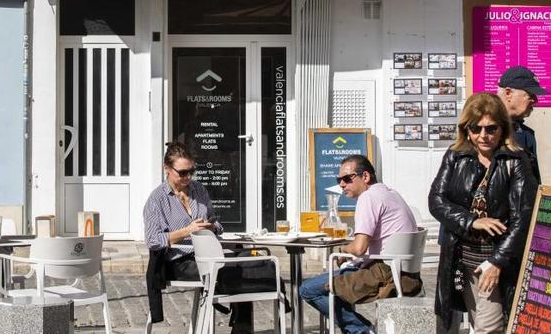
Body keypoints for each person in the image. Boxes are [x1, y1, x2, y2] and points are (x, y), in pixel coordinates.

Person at [429, 93, 538, 333]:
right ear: (466, 129)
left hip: (495, 258)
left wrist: (498, 262)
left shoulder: (516, 159)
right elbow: (436, 200)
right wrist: (472, 221)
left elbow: (524, 218)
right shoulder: (456, 155)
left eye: (491, 128)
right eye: (475, 128)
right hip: (459, 259)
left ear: (502, 127)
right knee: (464, 323)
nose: (483, 136)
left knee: (489, 328)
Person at [144, 142, 280, 333]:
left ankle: (242, 329)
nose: (188, 177)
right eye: (182, 173)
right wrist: (187, 230)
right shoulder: (157, 200)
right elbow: (152, 240)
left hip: (209, 253)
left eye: (191, 171)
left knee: (249, 263)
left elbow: (217, 224)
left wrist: (212, 227)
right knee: (235, 272)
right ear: (167, 169)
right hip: (179, 260)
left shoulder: (198, 190)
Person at [300, 155, 420, 334]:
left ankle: (362, 331)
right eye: (339, 180)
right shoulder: (391, 193)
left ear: (365, 177)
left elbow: (358, 248)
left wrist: (342, 250)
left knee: (308, 289)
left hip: (383, 274)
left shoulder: (368, 198)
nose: (342, 184)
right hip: (405, 273)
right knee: (340, 275)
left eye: (347, 179)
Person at [497, 65, 546, 183]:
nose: (535, 101)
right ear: (508, 93)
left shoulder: (527, 134)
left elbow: (534, 182)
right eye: (531, 95)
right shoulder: (482, 130)